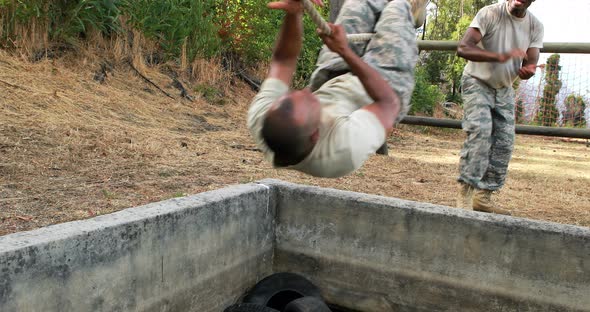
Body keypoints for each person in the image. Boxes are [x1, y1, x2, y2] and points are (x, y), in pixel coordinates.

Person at [247, 0, 428, 178]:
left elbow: (283, 61)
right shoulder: (343, 149)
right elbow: (389, 103)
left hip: (333, 78)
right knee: (397, 7)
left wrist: (294, 13)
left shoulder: (260, 119)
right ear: (316, 134)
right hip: (385, 90)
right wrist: (344, 52)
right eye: (311, 101)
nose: (304, 92)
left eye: (297, 93)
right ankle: (413, 9)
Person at [456, 0, 544, 214]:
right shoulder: (490, 13)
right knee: (480, 132)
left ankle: (483, 197)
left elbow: (530, 61)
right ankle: (465, 195)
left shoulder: (535, 25)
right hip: (476, 81)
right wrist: (498, 57)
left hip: (504, 88)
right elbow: (463, 48)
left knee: (504, 142)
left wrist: (529, 71)